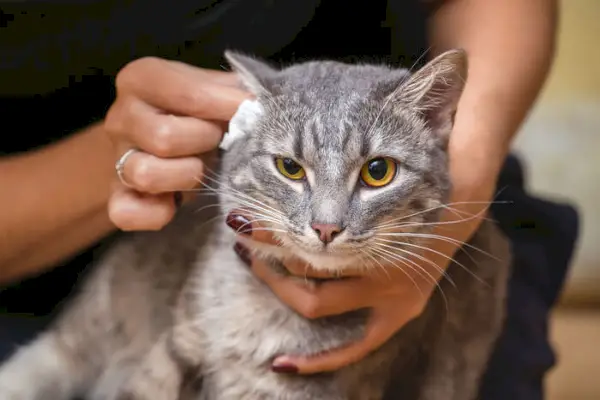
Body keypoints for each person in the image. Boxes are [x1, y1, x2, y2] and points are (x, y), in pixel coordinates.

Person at [0, 0, 578, 399]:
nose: (328, 224)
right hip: (71, 247)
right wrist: (127, 156)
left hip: (430, 202)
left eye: (373, 172)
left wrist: (460, 195)